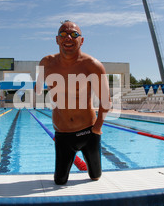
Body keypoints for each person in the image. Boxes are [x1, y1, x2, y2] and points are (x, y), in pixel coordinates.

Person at [36, 21, 111, 185]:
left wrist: (97, 128)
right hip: (62, 134)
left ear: (81, 40)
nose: (68, 37)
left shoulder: (92, 65)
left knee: (95, 177)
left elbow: (106, 101)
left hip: (89, 132)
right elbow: (38, 87)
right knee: (60, 181)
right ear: (57, 39)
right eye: (63, 34)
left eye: (74, 34)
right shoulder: (46, 63)